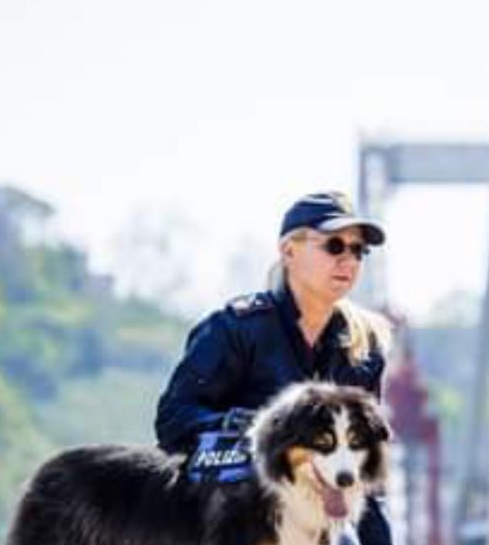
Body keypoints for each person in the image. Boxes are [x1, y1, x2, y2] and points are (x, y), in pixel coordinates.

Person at [155, 190, 394, 545]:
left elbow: (365, 480)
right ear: (288, 251)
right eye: (334, 246)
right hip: (234, 517)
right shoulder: (235, 329)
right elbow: (173, 421)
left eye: (358, 250)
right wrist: (246, 429)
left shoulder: (364, 350)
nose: (348, 259)